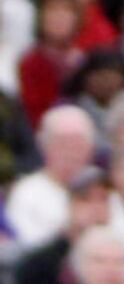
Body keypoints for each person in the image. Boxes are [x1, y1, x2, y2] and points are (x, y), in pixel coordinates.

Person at [7, 103, 105, 246]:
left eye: (77, 143)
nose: (70, 151)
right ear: (44, 146)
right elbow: (26, 249)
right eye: (61, 143)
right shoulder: (27, 193)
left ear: (90, 149)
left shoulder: (104, 188)